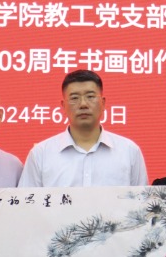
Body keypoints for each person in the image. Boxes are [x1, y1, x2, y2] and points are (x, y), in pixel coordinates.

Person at [19, 70, 148, 187]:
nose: (83, 104)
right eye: (74, 98)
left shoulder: (129, 151)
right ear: (63, 106)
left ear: (103, 103)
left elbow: (142, 202)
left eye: (90, 96)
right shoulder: (41, 154)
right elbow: (27, 203)